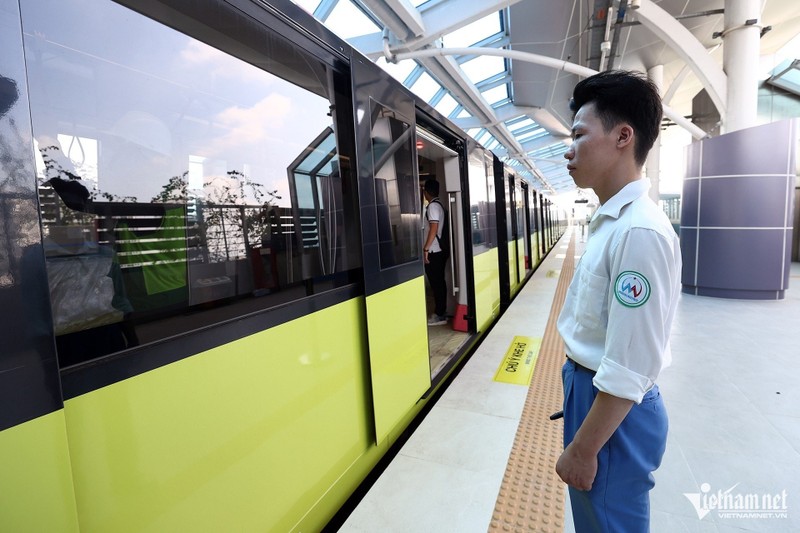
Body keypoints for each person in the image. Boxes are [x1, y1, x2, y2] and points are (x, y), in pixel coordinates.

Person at [555, 70, 682, 532]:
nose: (569, 150)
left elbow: (630, 364)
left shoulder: (639, 232)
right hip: (594, 395)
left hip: (611, 410)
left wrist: (583, 449)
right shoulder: (611, 222)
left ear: (623, 136)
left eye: (579, 134)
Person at [422, 178, 449, 326]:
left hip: (434, 251)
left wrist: (426, 248)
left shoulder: (432, 207)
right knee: (439, 282)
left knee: (436, 283)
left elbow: (433, 228)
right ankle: (441, 312)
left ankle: (440, 315)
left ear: (426, 192)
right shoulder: (439, 205)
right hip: (439, 250)